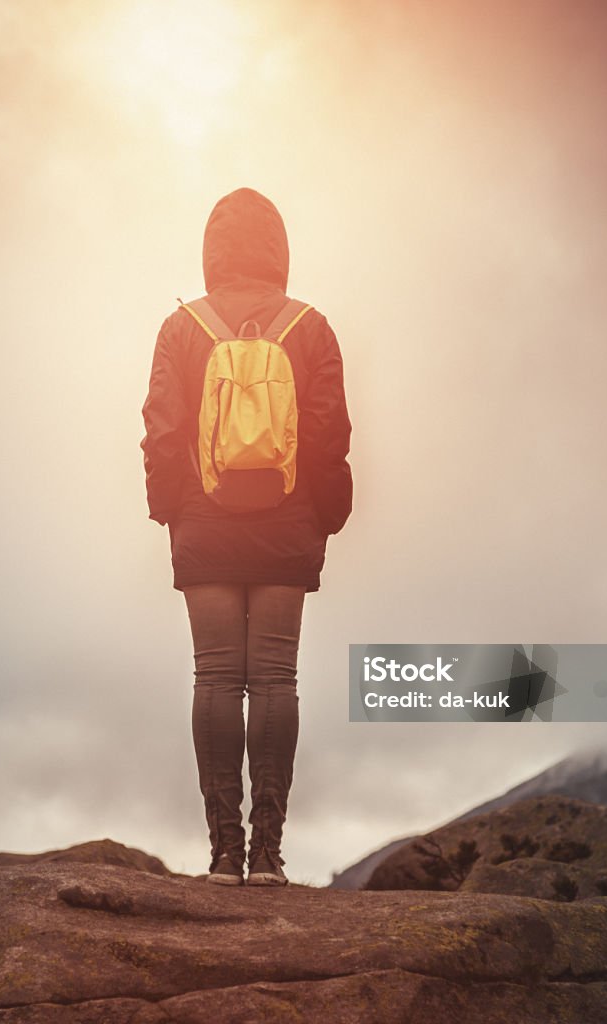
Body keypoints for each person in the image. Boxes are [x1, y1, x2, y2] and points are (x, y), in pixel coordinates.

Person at [140, 187, 352, 886]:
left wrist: (170, 507)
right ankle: (269, 854)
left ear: (212, 250)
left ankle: (224, 852)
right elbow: (328, 434)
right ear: (279, 250)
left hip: (204, 523)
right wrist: (327, 512)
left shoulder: (182, 328)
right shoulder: (311, 327)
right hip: (287, 524)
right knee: (275, 679)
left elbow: (163, 432)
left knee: (215, 677)